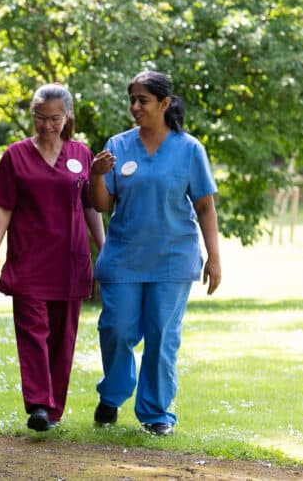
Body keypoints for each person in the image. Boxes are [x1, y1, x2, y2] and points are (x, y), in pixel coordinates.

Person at [89, 70, 221, 436]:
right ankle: (113, 394)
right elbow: (100, 203)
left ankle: (156, 412)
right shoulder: (117, 145)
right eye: (131, 99)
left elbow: (205, 207)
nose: (134, 107)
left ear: (164, 104)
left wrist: (214, 256)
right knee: (116, 328)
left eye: (142, 100)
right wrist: (96, 175)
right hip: (124, 256)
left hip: (173, 257)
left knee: (162, 335)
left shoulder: (189, 148)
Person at [0, 83, 106, 432]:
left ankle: (53, 410)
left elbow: (90, 207)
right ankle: (38, 403)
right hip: (29, 259)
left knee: (62, 338)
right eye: (40, 118)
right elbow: (4, 205)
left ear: (67, 117)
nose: (47, 125)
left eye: (54, 119)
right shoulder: (16, 155)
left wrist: (104, 248)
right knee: (32, 333)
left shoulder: (81, 154)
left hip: (70, 260)